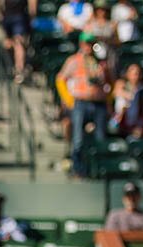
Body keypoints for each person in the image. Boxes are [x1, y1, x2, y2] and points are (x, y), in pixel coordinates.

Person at [56, 31, 113, 177]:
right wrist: (69, 99)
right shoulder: (74, 60)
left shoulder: (100, 62)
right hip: (81, 103)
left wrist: (108, 100)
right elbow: (60, 79)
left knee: (100, 138)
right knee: (78, 139)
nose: (89, 46)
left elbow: (111, 83)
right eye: (87, 43)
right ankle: (78, 169)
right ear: (81, 44)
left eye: (91, 43)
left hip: (98, 103)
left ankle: (99, 169)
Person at [111, 64, 143, 137]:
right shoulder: (122, 87)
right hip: (123, 124)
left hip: (140, 123)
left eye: (138, 73)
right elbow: (118, 114)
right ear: (127, 74)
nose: (135, 76)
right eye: (133, 74)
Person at [0, 0, 37, 83]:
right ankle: (17, 69)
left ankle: (18, 69)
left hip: (14, 16)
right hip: (14, 17)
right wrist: (32, 16)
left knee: (17, 43)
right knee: (14, 44)